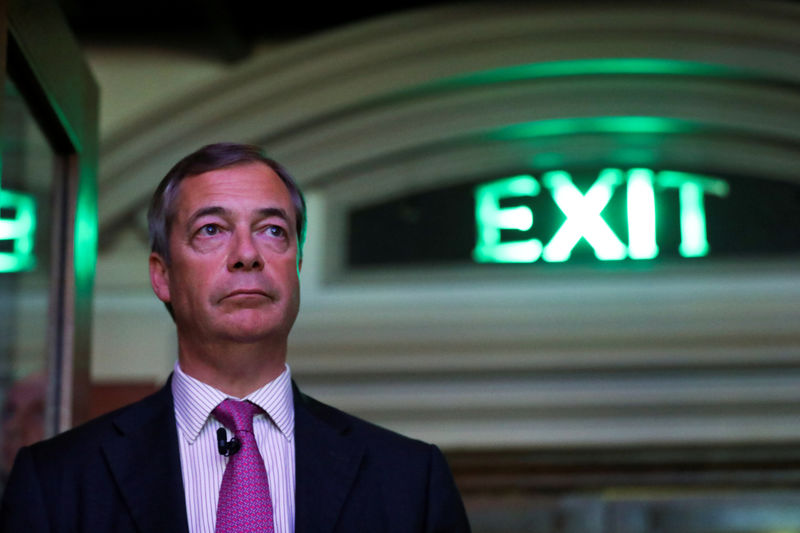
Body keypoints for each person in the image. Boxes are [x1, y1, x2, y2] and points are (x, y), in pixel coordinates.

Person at [0, 142, 471, 533]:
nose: (247, 254)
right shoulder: (57, 483)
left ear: (297, 266)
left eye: (272, 231)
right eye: (212, 230)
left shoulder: (410, 481)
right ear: (161, 275)